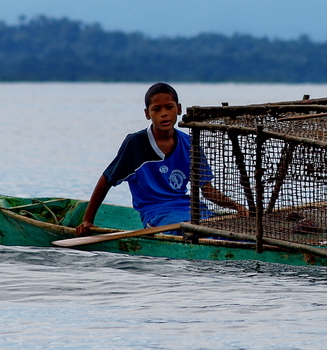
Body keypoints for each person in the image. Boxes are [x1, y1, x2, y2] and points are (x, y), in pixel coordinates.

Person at [74, 83, 246, 236]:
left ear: (178, 109)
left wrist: (238, 207)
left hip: (191, 209)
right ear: (147, 114)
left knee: (225, 230)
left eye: (169, 107)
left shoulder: (190, 145)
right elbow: (107, 180)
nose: (164, 114)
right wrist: (88, 220)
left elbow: (207, 189)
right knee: (188, 229)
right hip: (158, 215)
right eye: (156, 109)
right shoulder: (136, 144)